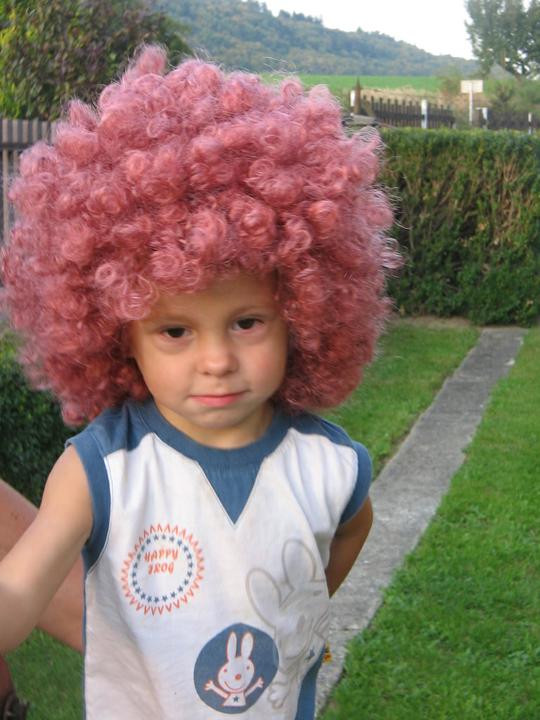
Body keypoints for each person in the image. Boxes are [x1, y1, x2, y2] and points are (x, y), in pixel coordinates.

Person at [0, 45, 398, 719]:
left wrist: (298, 610)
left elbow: (352, 528)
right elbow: (21, 586)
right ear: (117, 332)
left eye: (246, 323)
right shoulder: (102, 471)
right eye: (176, 332)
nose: (216, 360)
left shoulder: (329, 465)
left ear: (302, 312)